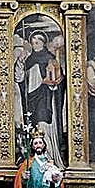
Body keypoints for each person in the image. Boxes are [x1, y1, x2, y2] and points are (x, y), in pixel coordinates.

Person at [23, 31, 65, 167]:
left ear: (43, 43)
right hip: (35, 98)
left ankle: (51, 156)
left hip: (47, 99)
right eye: (33, 43)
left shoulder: (50, 58)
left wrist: (55, 82)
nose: (34, 45)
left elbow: (59, 79)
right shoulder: (29, 60)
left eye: (37, 43)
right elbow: (23, 81)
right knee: (37, 125)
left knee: (45, 125)